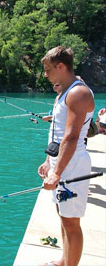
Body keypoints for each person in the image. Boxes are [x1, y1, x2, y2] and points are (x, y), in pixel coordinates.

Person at [37, 46, 94, 266]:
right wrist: (48, 161)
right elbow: (58, 131)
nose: (46, 74)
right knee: (63, 216)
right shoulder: (65, 92)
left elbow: (70, 138)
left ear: (61, 67)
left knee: (71, 224)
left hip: (73, 166)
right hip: (62, 163)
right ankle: (64, 261)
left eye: (48, 69)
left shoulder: (78, 93)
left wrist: (57, 172)